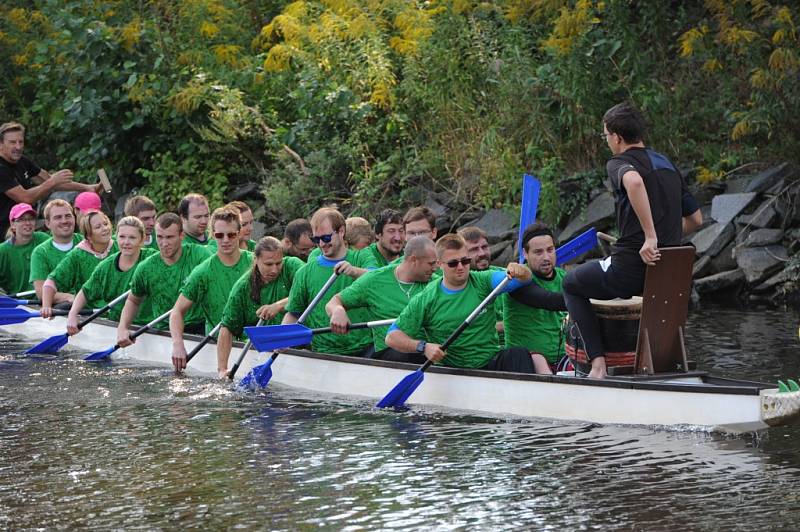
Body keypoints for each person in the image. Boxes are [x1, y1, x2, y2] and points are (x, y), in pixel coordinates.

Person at [562, 102, 687, 379]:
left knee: (571, 284)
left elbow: (634, 183)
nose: (606, 141)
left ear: (616, 137)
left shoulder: (618, 162)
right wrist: (665, 236)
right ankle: (669, 367)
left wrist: (650, 237)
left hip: (631, 268)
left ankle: (598, 365)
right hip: (669, 272)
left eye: (605, 135)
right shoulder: (667, 164)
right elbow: (695, 219)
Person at [386, 234, 551, 373]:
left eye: (465, 261)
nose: (461, 267)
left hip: (488, 362)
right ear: (439, 264)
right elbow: (392, 337)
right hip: (452, 370)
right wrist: (424, 347)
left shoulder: (482, 280)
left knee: (518, 353)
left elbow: (523, 279)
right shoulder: (427, 298)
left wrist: (521, 271)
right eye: (453, 263)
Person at [326, 236, 438, 364]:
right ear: (413, 260)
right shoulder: (375, 280)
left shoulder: (435, 284)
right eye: (431, 264)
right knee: (402, 355)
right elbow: (334, 302)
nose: (435, 268)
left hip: (429, 354)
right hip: (390, 356)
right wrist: (338, 311)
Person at [282, 207, 378, 356]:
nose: (321, 244)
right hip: (323, 353)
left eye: (326, 238)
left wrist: (354, 271)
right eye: (316, 239)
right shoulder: (304, 272)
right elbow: (294, 313)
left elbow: (377, 279)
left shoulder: (362, 257)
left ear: (341, 231)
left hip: (365, 350)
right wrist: (282, 339)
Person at [170, 207, 254, 371]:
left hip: (253, 341)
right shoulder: (202, 272)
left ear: (239, 233)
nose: (225, 240)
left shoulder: (255, 263)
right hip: (219, 342)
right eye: (219, 235)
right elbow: (177, 312)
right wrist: (178, 344)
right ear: (212, 235)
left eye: (231, 235)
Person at [116, 213, 212, 347]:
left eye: (169, 237)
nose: (164, 243)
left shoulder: (200, 256)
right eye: (160, 237)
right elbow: (133, 300)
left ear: (181, 236)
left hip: (199, 327)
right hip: (164, 331)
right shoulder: (146, 267)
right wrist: (123, 328)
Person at [217, 236, 305, 378]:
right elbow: (227, 328)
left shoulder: (293, 266)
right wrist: (222, 369)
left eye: (278, 263)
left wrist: (278, 306)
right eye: (269, 264)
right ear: (256, 260)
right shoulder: (242, 287)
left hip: (298, 346)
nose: (275, 270)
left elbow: (309, 292)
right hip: (262, 348)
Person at [0, 122, 102, 236]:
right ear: (1, 144)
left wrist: (87, 188)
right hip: (5, 231)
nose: (18, 147)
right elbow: (25, 198)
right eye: (13, 142)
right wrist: (52, 181)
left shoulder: (22, 160)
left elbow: (48, 180)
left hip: (25, 225)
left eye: (21, 142)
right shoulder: (1, 169)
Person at [66, 216, 158, 334]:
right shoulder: (106, 266)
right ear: (116, 237)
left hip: (149, 325)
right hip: (116, 325)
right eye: (122, 237)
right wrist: (72, 315)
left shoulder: (153, 260)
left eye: (132, 238)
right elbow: (85, 292)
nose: (126, 242)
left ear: (142, 240)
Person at [503, 223, 569, 370]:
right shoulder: (517, 278)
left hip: (562, 359)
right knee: (538, 360)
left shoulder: (564, 277)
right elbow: (547, 300)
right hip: (525, 362)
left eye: (550, 250)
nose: (546, 257)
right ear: (525, 254)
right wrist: (585, 298)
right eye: (538, 252)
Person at [41, 210, 117, 317]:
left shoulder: (120, 245)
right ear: (89, 236)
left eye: (105, 224)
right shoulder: (77, 254)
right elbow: (51, 282)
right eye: (98, 227)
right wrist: (46, 306)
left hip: (119, 310)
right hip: (90, 314)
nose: (105, 229)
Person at [29, 199, 84, 302]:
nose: (64, 221)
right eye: (58, 217)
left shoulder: (87, 242)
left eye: (68, 216)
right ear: (48, 223)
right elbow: (41, 293)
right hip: (61, 310)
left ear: (74, 218)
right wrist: (69, 297)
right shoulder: (40, 252)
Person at [458, 226, 505, 334]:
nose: (482, 253)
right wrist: (506, 325)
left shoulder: (504, 274)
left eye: (484, 247)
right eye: (474, 249)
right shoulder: (455, 283)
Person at [0, 203, 49, 294]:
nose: (27, 223)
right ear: (12, 224)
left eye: (30, 219)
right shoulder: (2, 251)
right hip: (17, 303)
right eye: (22, 220)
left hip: (47, 299)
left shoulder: (44, 239)